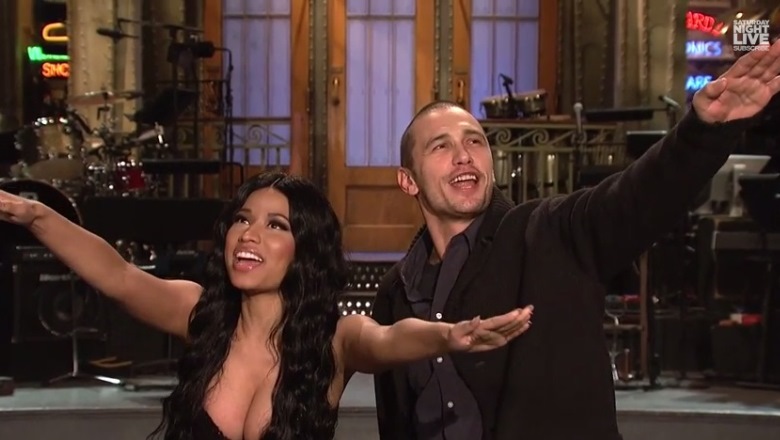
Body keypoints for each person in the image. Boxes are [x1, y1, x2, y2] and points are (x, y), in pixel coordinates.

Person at [371, 41, 780, 440]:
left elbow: (635, 197)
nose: (464, 155)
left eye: (474, 141)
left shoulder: (549, 233)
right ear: (408, 181)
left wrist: (703, 132)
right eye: (441, 146)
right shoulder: (395, 294)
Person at [0, 171, 533, 440]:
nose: (249, 235)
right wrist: (35, 215)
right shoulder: (201, 313)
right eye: (242, 219)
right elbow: (118, 276)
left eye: (275, 225)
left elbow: (390, 339)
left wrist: (448, 336)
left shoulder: (335, 341)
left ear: (305, 249)